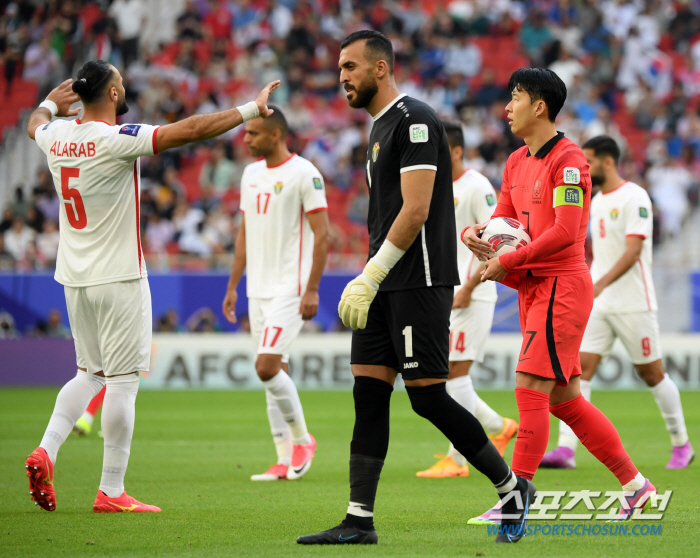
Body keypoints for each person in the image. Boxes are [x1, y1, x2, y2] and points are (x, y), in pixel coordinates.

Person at [298, 30, 535, 546]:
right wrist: (370, 277)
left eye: (351, 67)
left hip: (418, 281)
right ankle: (359, 519)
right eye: (340, 68)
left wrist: (370, 275)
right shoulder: (379, 128)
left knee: (428, 397)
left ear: (380, 69)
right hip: (384, 282)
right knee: (368, 392)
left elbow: (417, 209)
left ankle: (512, 487)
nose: (342, 77)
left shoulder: (416, 120)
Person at [24, 59, 279, 513]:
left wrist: (48, 102)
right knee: (122, 382)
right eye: (121, 80)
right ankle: (111, 490)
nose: (125, 84)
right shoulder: (116, 139)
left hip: (74, 278)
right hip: (119, 276)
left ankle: (47, 449)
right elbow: (193, 129)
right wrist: (250, 110)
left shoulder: (56, 136)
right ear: (115, 94)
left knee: (88, 374)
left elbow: (35, 124)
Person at [462, 68, 655, 526]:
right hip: (532, 284)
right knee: (565, 400)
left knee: (530, 385)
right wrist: (476, 234)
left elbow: (567, 233)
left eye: (515, 98)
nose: (507, 108)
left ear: (540, 106)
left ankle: (517, 497)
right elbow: (502, 220)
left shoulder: (569, 162)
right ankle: (637, 486)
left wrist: (507, 261)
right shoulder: (515, 162)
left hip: (560, 286)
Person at [541, 135, 694, 470]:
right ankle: (566, 449)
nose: (585, 167)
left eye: (590, 160)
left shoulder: (634, 196)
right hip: (598, 302)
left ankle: (682, 444)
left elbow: (633, 250)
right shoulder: (594, 200)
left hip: (633, 303)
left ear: (608, 162)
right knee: (578, 371)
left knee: (651, 373)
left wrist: (599, 284)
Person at [222, 105, 330, 482]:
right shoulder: (250, 174)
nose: (246, 139)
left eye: (252, 133)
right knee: (274, 373)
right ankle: (283, 460)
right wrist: (234, 285)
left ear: (276, 135)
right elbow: (244, 234)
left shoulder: (304, 173)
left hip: (291, 287)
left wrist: (312, 287)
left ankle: (303, 440)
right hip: (258, 289)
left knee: (266, 367)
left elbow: (323, 236)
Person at [417, 121, 517, 479]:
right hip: (446, 292)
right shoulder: (435, 185)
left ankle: (458, 460)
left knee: (454, 375)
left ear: (457, 150)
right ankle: (499, 427)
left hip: (472, 293)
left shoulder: (476, 186)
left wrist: (469, 288)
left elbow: (494, 242)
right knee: (447, 376)